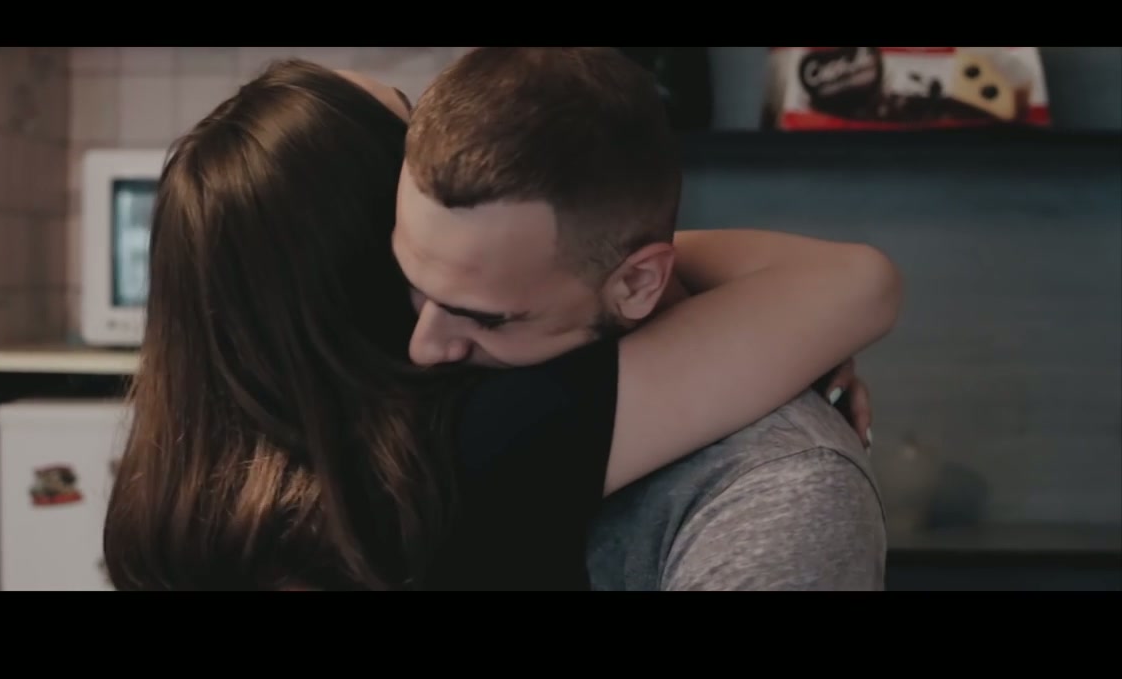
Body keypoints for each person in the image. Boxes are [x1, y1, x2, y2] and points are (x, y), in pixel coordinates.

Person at [102, 55, 902, 591]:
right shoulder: (481, 438)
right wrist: (603, 272)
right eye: (406, 133)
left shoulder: (177, 482)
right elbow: (853, 284)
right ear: (375, 248)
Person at [394, 46, 888, 590]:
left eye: (486, 318)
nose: (422, 346)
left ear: (638, 284)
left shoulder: (778, 495)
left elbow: (864, 282)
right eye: (410, 285)